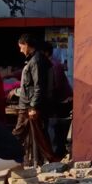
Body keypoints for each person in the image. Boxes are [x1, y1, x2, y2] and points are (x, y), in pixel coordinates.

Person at [11, 34, 57, 165]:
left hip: (28, 105)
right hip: (29, 104)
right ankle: (50, 160)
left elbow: (39, 86)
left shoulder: (36, 60)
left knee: (20, 133)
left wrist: (33, 106)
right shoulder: (35, 59)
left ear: (26, 44)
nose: (20, 50)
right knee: (39, 135)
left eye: (21, 47)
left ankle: (4, 156)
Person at [43, 42, 72, 159]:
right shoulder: (50, 65)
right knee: (56, 132)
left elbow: (56, 87)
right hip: (59, 102)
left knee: (56, 133)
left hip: (62, 103)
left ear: (45, 53)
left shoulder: (53, 66)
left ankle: (57, 157)